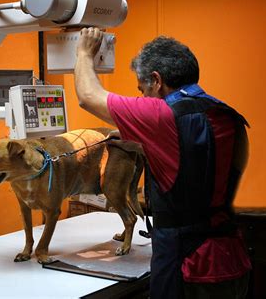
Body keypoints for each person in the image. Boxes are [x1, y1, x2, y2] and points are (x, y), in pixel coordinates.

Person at [74, 27, 252, 299]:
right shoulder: (228, 116)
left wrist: (84, 52)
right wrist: (144, 140)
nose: (144, 97)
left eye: (142, 89)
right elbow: (196, 162)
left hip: (182, 261)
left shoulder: (162, 114)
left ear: (156, 80)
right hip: (228, 254)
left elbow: (88, 96)